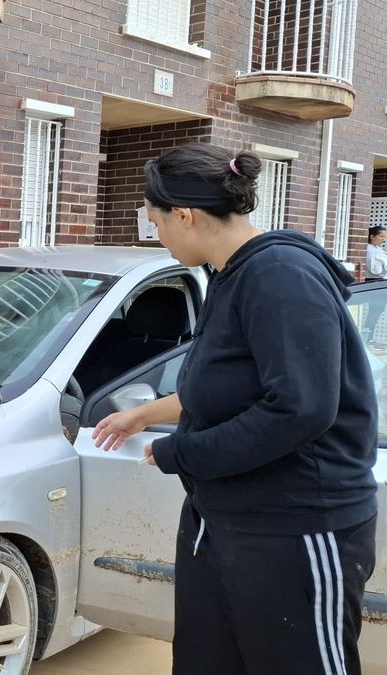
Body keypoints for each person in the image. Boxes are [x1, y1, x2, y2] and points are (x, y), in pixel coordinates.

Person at [92, 143, 378, 675]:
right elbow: (232, 386)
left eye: (155, 222)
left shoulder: (280, 276)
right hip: (222, 519)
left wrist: (184, 451)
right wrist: (147, 414)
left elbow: (301, 407)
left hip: (293, 527)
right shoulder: (230, 273)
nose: (155, 234)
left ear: (185, 215)